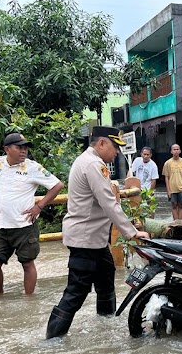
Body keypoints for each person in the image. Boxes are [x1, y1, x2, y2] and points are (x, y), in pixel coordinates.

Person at [46, 126, 149, 339]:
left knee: (106, 280)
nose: (117, 152)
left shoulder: (86, 160)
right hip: (86, 240)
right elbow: (109, 202)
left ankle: (107, 324)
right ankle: (52, 341)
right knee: (76, 291)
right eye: (115, 147)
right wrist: (131, 232)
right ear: (101, 143)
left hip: (95, 240)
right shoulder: (94, 164)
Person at [0, 133, 64, 295]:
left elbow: (57, 185)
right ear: (7, 149)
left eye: (25, 148)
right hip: (0, 227)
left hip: (25, 226)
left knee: (27, 264)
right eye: (19, 147)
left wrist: (39, 206)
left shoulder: (33, 167)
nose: (24, 151)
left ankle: (29, 300)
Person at [162, 144, 182, 220]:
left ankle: (180, 223)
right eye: (174, 149)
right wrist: (168, 190)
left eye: (177, 149)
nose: (176, 151)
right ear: (171, 151)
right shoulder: (167, 163)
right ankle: (175, 224)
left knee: (181, 205)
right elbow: (166, 177)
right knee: (174, 206)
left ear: (180, 151)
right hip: (172, 188)